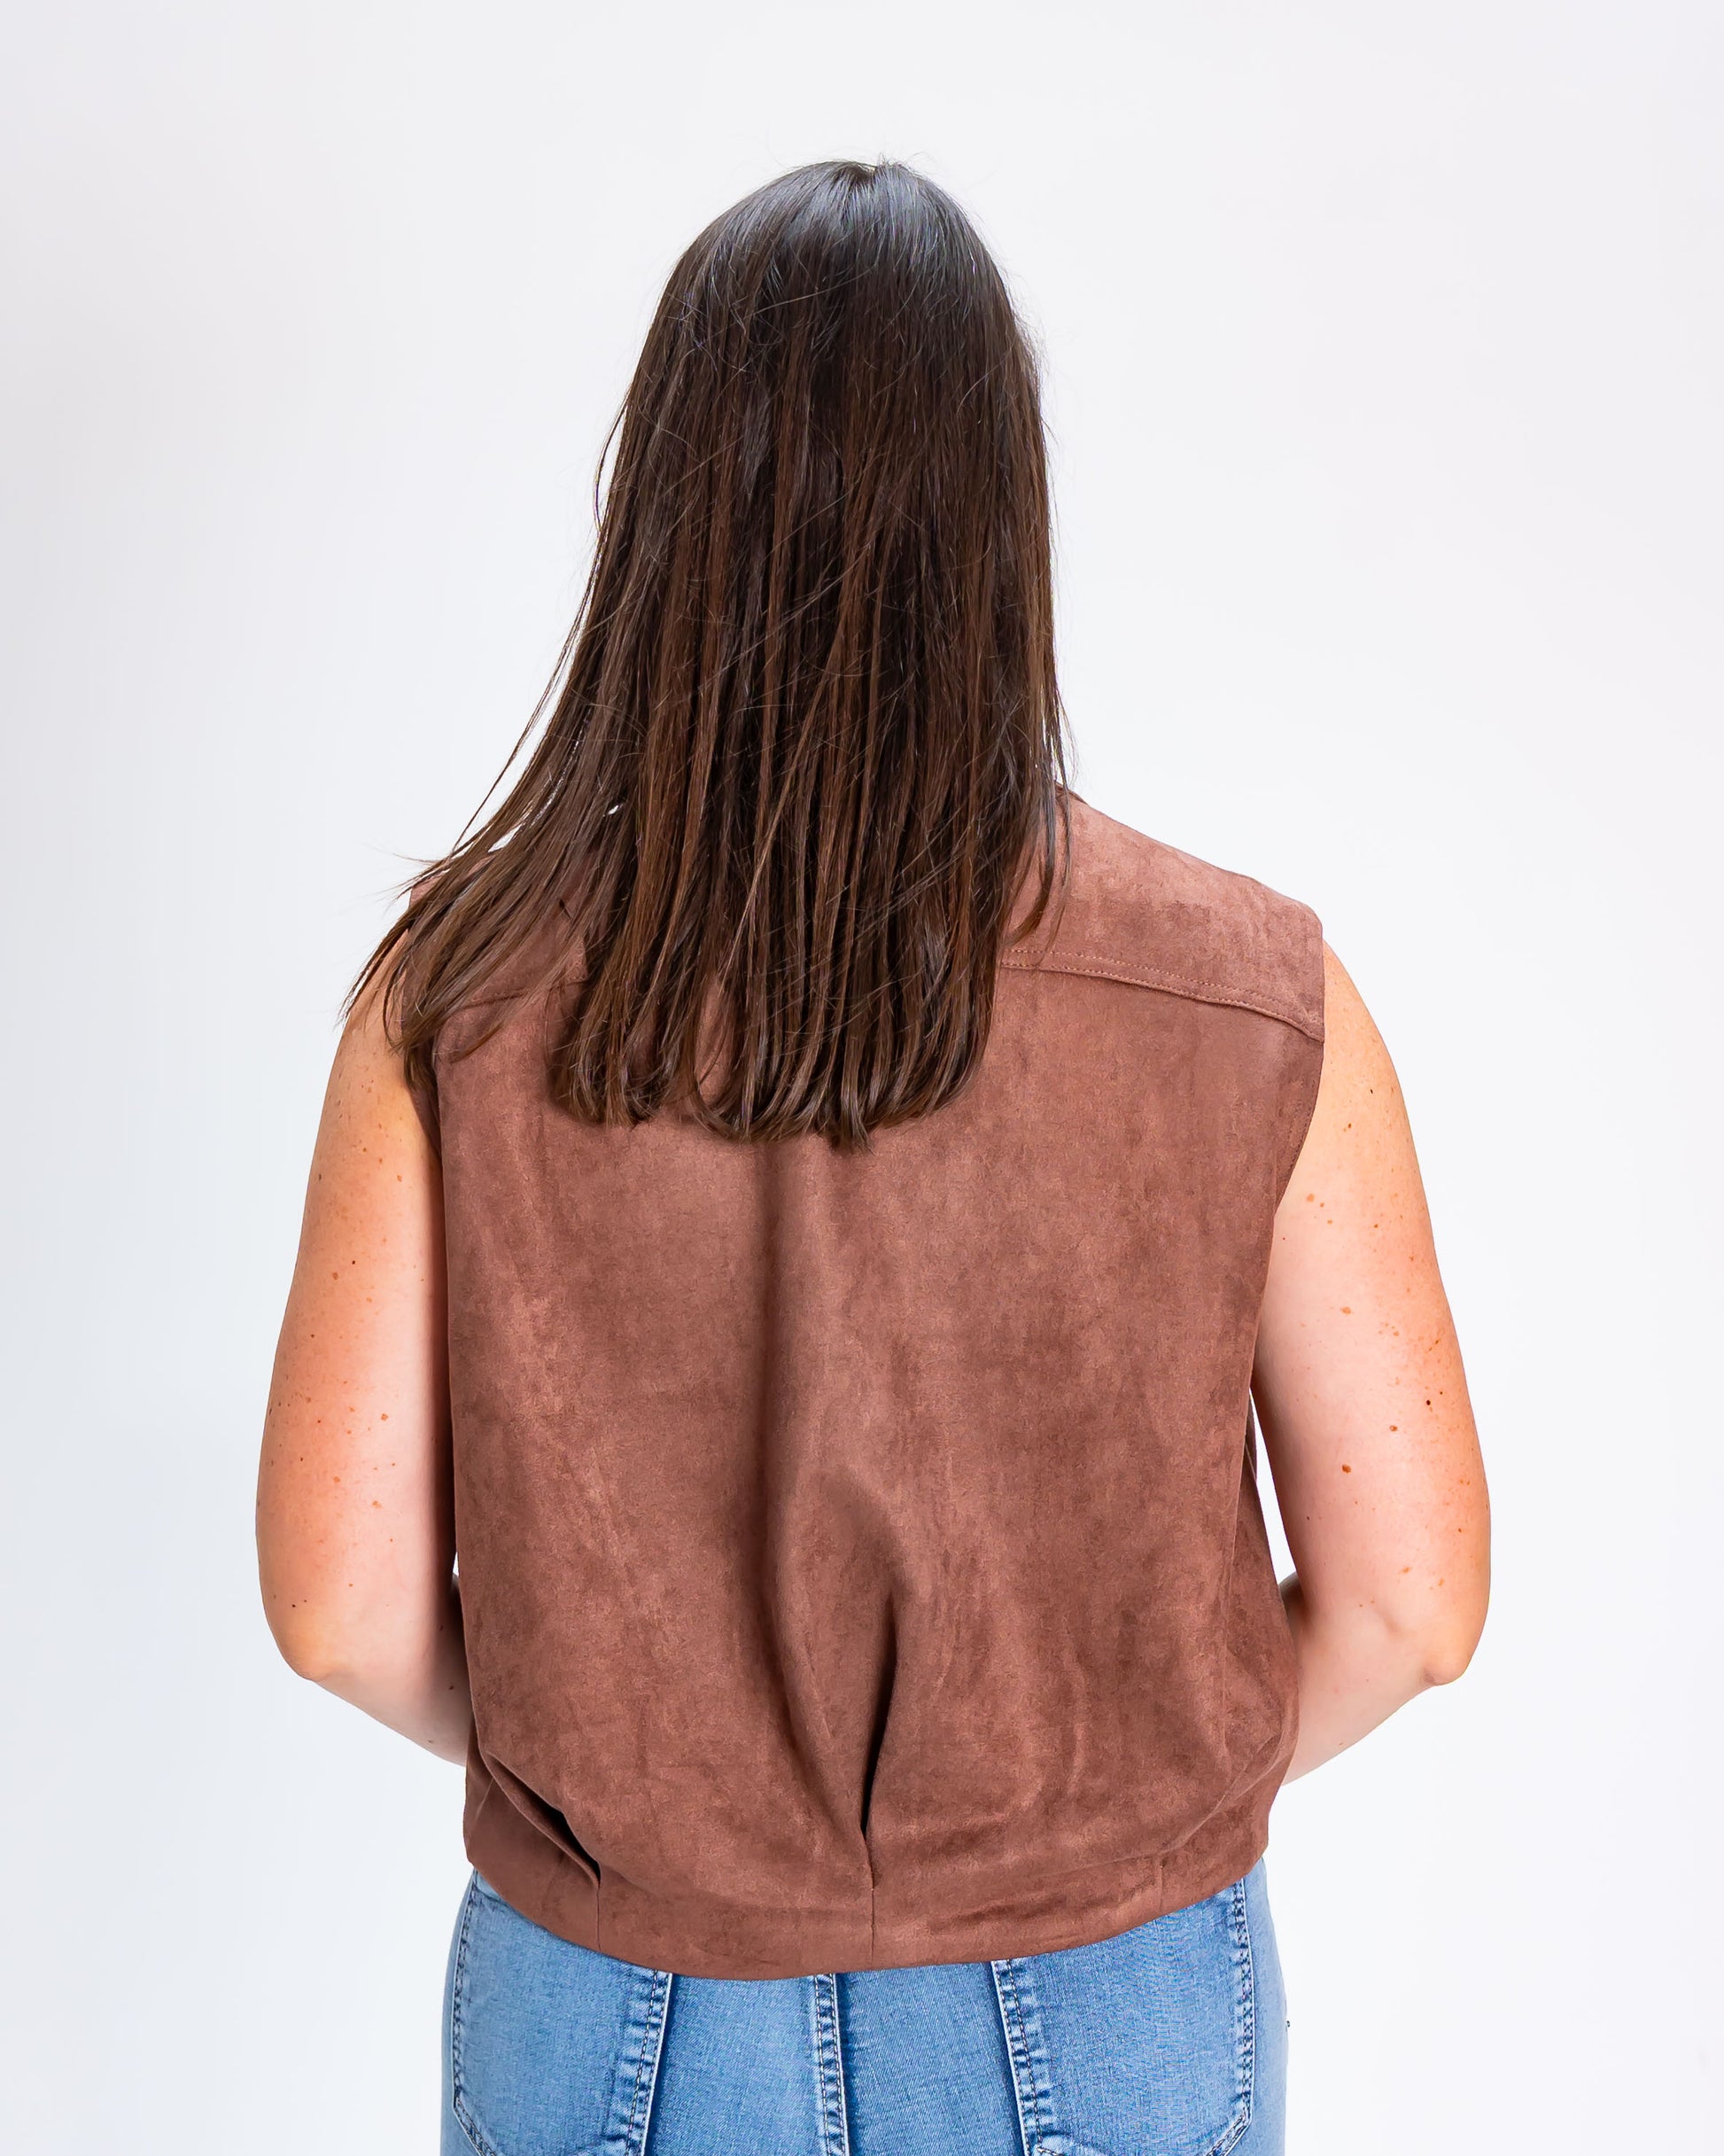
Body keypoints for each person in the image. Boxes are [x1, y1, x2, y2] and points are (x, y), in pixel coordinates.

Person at [256, 159, 1488, 2156]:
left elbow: (340, 1606)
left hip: (611, 1988)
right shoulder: (1253, 995)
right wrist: (1104, 1813)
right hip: (1109, 1993)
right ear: (999, 521)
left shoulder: (455, 999)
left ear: (659, 511)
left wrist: (645, 1804)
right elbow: (1412, 1605)